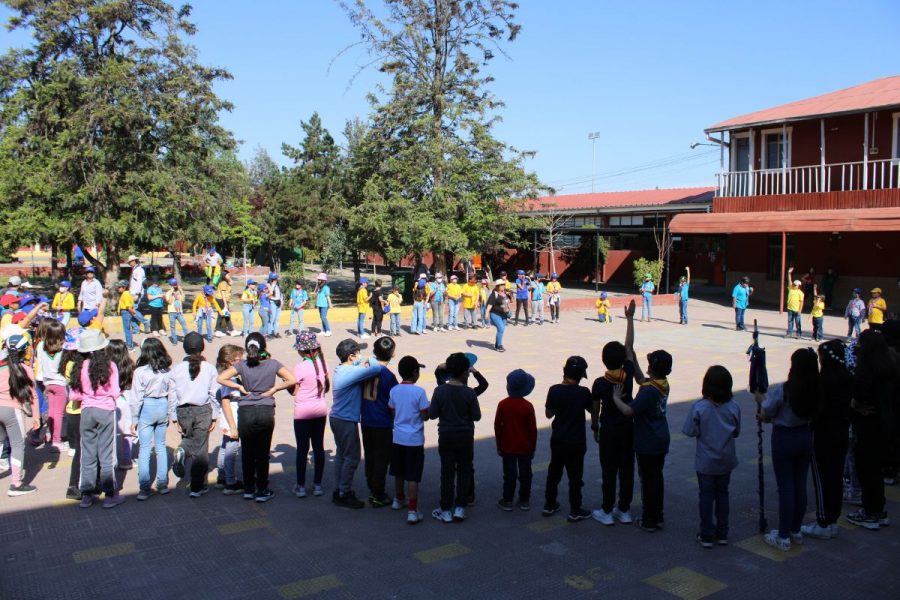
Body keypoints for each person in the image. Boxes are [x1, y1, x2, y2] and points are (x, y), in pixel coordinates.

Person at [610, 301, 673, 532]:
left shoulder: (648, 392)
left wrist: (616, 397)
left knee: (649, 481)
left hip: (649, 442)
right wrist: (629, 320)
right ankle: (658, 515)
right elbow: (631, 355)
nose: (644, 364)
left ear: (653, 367)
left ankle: (649, 519)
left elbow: (629, 411)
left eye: (648, 362)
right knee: (656, 478)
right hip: (660, 438)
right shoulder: (661, 383)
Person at [755, 348, 820, 551]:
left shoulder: (786, 389)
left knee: (786, 487)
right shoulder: (817, 388)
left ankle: (783, 535)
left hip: (785, 437)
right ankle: (795, 529)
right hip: (806, 436)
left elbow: (767, 412)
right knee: (800, 484)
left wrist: (760, 403)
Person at [217, 333, 295, 502]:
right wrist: (275, 389)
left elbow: (221, 378)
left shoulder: (243, 366)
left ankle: (248, 488)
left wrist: (238, 386)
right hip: (266, 410)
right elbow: (291, 379)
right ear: (263, 346)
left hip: (245, 411)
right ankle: (262, 489)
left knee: (247, 451)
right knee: (262, 452)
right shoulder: (273, 364)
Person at [682, 366, 741, 548]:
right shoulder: (733, 407)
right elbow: (736, 432)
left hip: (706, 461)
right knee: (723, 494)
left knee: (706, 496)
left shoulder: (700, 407)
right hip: (726, 460)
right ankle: (722, 533)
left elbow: (690, 431)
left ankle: (707, 534)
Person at [845, 330, 897, 530]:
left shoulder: (867, 372)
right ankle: (878, 510)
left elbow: (858, 399)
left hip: (868, 428)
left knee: (867, 471)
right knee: (876, 472)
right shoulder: (889, 368)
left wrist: (853, 405)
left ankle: (870, 512)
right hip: (885, 426)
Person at [69, 329, 125, 508]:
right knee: (106, 454)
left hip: (86, 411)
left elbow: (74, 395)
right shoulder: (110, 366)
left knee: (88, 454)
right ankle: (110, 495)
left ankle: (87, 495)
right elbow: (115, 392)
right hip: (106, 411)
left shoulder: (80, 366)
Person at [801, 340, 852, 539]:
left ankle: (823, 521)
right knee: (836, 477)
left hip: (823, 435)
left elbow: (814, 409)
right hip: (841, 434)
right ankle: (832, 520)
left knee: (822, 479)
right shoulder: (848, 378)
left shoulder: (823, 382)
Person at [428, 352, 482, 523]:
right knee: (465, 470)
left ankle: (445, 509)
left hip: (446, 435)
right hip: (465, 435)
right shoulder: (469, 393)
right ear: (466, 373)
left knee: (447, 472)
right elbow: (477, 416)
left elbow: (432, 414)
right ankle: (460, 507)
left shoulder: (440, 390)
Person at [329, 338, 382, 508]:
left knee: (341, 455)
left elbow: (358, 366)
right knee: (352, 457)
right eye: (357, 353)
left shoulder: (342, 369)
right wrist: (369, 357)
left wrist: (359, 359)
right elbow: (376, 368)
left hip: (337, 418)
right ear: (351, 356)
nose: (359, 356)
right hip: (345, 420)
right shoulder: (350, 373)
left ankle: (339, 489)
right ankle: (344, 493)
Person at [590, 339, 635, 526]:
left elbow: (595, 408)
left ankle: (606, 510)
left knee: (609, 470)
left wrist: (595, 427)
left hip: (608, 429)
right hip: (627, 428)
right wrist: (630, 319)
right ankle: (624, 509)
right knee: (627, 470)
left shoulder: (600, 383)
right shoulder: (628, 376)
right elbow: (630, 348)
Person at [170, 332, 221, 498]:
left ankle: (183, 449)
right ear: (202, 348)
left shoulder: (176, 369)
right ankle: (197, 486)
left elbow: (172, 395)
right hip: (202, 410)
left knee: (190, 439)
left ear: (184, 348)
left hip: (183, 410)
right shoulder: (209, 368)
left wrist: (174, 417)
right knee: (201, 449)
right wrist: (215, 414)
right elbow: (214, 393)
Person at [542, 355, 592, 522]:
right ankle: (575, 509)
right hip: (577, 441)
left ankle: (549, 504)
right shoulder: (583, 392)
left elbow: (549, 414)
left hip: (558, 439)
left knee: (554, 472)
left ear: (564, 372)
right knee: (575, 476)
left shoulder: (554, 390)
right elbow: (593, 410)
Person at [130, 337, 175, 500]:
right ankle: (162, 483)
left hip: (146, 408)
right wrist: (171, 414)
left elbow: (136, 398)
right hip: (162, 405)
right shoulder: (167, 371)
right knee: (161, 446)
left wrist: (134, 419)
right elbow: (172, 395)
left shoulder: (140, 372)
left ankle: (144, 487)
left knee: (145, 448)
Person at [388, 355, 430, 524]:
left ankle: (398, 499)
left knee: (398, 471)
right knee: (413, 475)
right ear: (414, 373)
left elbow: (391, 410)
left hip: (398, 437)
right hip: (414, 439)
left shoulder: (394, 390)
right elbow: (425, 415)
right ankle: (413, 510)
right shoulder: (419, 392)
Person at [0, 332, 40, 496]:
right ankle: (15, 484)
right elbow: (33, 396)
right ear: (24, 351)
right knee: (17, 445)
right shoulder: (26, 370)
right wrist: (36, 418)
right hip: (12, 411)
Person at [361, 336, 399, 507]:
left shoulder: (366, 370)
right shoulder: (389, 376)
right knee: (381, 458)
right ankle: (378, 493)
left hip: (367, 419)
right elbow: (395, 400)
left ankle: (372, 485)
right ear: (392, 354)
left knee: (370, 455)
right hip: (382, 421)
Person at [291, 332, 329, 498]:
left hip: (303, 413)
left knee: (302, 449)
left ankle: (300, 486)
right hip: (320, 410)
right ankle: (318, 485)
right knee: (318, 447)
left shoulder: (300, 367)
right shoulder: (322, 364)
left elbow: (294, 390)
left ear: (301, 351)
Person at [495, 369, 537, 512]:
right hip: (525, 446)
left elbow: (497, 426)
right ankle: (524, 500)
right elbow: (532, 429)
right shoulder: (528, 406)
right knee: (526, 474)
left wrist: (499, 445)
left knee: (509, 474)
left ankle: (507, 500)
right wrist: (533, 447)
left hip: (507, 445)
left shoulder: (503, 404)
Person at [214, 344, 244, 494]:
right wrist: (233, 426)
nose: (242, 361)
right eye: (239, 359)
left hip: (228, 418)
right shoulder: (229, 378)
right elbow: (226, 402)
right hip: (232, 418)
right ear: (231, 361)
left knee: (225, 447)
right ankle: (230, 482)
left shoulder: (228, 375)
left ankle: (222, 477)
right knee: (232, 449)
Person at [35, 319, 67, 453]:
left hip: (47, 383)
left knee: (52, 412)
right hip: (60, 384)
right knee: (59, 413)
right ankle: (56, 441)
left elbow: (40, 364)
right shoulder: (64, 348)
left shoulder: (41, 345)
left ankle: (49, 434)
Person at [106, 340, 136, 470]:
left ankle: (109, 461)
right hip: (126, 398)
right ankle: (126, 460)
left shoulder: (106, 366)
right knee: (127, 431)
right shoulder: (130, 365)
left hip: (111, 399)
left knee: (110, 432)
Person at [485, 279, 510, 353]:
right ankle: (499, 345)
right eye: (501, 285)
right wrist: (486, 313)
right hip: (495, 314)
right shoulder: (494, 294)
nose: (503, 286)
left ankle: (496, 344)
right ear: (497, 286)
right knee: (501, 328)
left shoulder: (505, 293)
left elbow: (509, 302)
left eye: (504, 285)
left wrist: (510, 295)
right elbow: (490, 304)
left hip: (504, 315)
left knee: (501, 330)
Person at [127, 255, 148, 335]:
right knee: (131, 311)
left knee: (132, 310)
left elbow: (139, 282)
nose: (129, 263)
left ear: (134, 261)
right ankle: (136, 329)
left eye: (130, 261)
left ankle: (145, 322)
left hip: (136, 293)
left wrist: (137, 293)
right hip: (132, 293)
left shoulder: (139, 270)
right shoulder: (135, 269)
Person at [164, 278, 189, 346]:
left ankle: (188, 339)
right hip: (171, 312)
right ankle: (174, 340)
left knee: (184, 325)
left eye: (175, 285)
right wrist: (171, 293)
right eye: (173, 285)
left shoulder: (179, 292)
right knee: (172, 327)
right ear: (170, 285)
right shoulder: (168, 293)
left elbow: (183, 300)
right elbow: (169, 302)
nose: (174, 286)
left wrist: (181, 291)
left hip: (179, 312)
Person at [115, 281, 139, 351]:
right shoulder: (126, 293)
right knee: (128, 330)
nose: (118, 289)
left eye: (119, 287)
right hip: (126, 312)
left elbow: (129, 307)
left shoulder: (125, 294)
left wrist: (133, 314)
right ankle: (130, 345)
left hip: (126, 312)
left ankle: (130, 347)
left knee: (127, 330)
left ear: (124, 287)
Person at [215, 270, 236, 337]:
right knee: (225, 315)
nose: (229, 276)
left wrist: (229, 278)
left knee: (221, 315)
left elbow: (232, 283)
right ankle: (231, 330)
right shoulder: (223, 283)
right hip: (221, 300)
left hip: (223, 300)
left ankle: (218, 330)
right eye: (228, 275)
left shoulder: (226, 282)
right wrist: (225, 304)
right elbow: (223, 293)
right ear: (224, 276)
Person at [785, 267, 804, 339]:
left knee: (797, 322)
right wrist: (789, 273)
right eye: (793, 284)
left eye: (795, 284)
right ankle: (789, 333)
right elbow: (789, 280)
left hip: (796, 310)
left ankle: (798, 334)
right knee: (790, 321)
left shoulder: (800, 293)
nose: (793, 285)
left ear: (799, 286)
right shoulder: (791, 288)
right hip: (790, 308)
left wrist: (800, 310)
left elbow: (801, 302)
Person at [314, 273, 333, 337]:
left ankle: (328, 330)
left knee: (323, 317)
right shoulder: (319, 287)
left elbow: (328, 296)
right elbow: (317, 296)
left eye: (320, 280)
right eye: (318, 279)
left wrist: (330, 304)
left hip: (324, 305)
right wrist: (316, 303)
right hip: (320, 305)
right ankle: (323, 330)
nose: (318, 281)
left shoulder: (326, 288)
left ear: (324, 281)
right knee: (322, 318)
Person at [267, 272, 283, 339]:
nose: (276, 280)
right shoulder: (268, 285)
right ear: (271, 279)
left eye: (276, 279)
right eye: (274, 279)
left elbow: (280, 294)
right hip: (272, 302)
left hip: (278, 302)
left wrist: (281, 301)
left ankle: (276, 332)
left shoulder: (278, 285)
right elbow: (268, 295)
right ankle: (269, 333)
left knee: (277, 319)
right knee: (271, 319)